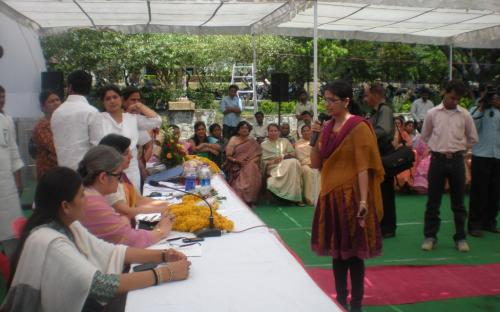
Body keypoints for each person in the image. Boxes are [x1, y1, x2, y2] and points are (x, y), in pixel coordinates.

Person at [1, 167, 190, 312]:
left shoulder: (68, 223)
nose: (87, 200)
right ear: (65, 206)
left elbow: (110, 250)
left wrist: (163, 256)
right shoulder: (49, 241)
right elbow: (101, 286)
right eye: (82, 195)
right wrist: (166, 273)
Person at [310, 80, 384, 312]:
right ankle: (340, 301)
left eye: (332, 100)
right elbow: (315, 164)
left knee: (354, 255)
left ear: (346, 101)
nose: (328, 104)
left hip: (352, 197)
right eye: (326, 100)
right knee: (337, 253)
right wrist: (314, 137)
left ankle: (357, 304)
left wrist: (363, 201)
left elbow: (364, 167)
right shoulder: (326, 127)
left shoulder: (358, 127)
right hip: (331, 196)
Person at [420, 80, 478, 252]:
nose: (455, 101)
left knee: (459, 202)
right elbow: (425, 135)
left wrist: (460, 147)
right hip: (437, 160)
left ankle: (460, 238)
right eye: (452, 97)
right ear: (444, 93)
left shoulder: (465, 115)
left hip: (457, 161)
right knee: (433, 202)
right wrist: (437, 147)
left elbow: (473, 138)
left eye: (458, 99)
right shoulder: (432, 113)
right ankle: (430, 237)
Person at [78, 145, 173, 248]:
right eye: (118, 176)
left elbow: (120, 228)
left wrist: (124, 221)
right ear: (103, 177)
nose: (120, 182)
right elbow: (130, 239)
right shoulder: (92, 202)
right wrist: (162, 231)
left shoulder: (90, 194)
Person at [99, 85, 162, 191]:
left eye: (115, 97)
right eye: (108, 98)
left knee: (134, 200)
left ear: (121, 99)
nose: (112, 101)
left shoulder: (132, 118)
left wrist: (139, 106)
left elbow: (157, 121)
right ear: (103, 102)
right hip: (110, 170)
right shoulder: (99, 119)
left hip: (131, 169)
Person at [99, 134, 169, 219]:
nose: (131, 157)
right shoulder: (107, 180)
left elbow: (138, 200)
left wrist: (168, 205)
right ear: (112, 156)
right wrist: (162, 208)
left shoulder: (122, 176)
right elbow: (126, 211)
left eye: (130, 152)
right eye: (126, 153)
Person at [51, 70, 103, 170]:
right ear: (89, 88)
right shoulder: (92, 112)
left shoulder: (57, 113)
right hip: (85, 174)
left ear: (69, 87)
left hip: (63, 171)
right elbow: (97, 147)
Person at [468, 85, 500, 237]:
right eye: (493, 97)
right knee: (479, 192)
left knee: (495, 192)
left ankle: (490, 222)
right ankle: (475, 225)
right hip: (481, 155)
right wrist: (481, 106)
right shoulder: (477, 110)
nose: (496, 100)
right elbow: (471, 127)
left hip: (498, 156)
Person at [365, 83, 396, 238]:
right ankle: (382, 224)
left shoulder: (384, 110)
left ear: (375, 95)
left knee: (385, 191)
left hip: (383, 154)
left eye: (367, 95)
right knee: (380, 190)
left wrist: (365, 136)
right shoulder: (376, 111)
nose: (365, 99)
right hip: (378, 154)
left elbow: (382, 131)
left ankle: (388, 227)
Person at [0, 85, 24, 258]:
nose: (1, 100)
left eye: (3, 97)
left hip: (6, 184)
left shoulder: (7, 119)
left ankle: (13, 270)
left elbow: (14, 151)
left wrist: (18, 179)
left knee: (11, 230)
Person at [261, 124, 303, 205]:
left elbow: (293, 153)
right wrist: (274, 161)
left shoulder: (284, 141)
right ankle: (295, 198)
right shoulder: (263, 144)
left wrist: (283, 156)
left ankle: (296, 196)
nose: (273, 133)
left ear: (279, 132)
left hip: (286, 163)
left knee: (294, 162)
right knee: (293, 163)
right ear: (268, 132)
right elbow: (262, 162)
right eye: (271, 131)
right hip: (273, 167)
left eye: (275, 131)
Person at [122, 86, 154, 185]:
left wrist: (141, 165)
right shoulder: (116, 120)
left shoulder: (137, 119)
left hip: (135, 169)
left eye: (138, 100)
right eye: (133, 100)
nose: (136, 103)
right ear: (123, 101)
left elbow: (148, 145)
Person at [225, 121, 262, 205]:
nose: (244, 129)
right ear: (238, 130)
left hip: (250, 164)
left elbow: (258, 155)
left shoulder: (252, 141)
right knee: (239, 186)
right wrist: (237, 161)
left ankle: (250, 199)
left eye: (246, 128)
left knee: (252, 167)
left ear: (249, 130)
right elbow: (228, 156)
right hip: (236, 165)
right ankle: (241, 198)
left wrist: (249, 162)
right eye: (242, 128)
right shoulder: (233, 139)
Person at [32, 90, 61, 179]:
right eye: (51, 101)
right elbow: (55, 149)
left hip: (61, 171)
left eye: (57, 100)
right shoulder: (41, 126)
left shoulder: (61, 122)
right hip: (49, 174)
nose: (56, 103)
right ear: (43, 107)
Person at [295, 124, 319, 206]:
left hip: (316, 163)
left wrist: (316, 163)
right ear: (301, 133)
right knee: (307, 171)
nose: (306, 132)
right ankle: (309, 198)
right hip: (304, 165)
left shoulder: (316, 141)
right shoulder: (298, 143)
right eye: (304, 131)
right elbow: (300, 158)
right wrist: (311, 164)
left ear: (311, 131)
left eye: (307, 130)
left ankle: (319, 197)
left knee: (320, 171)